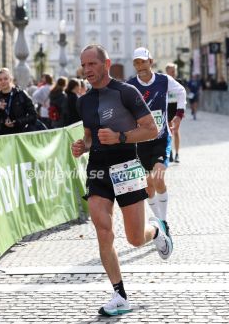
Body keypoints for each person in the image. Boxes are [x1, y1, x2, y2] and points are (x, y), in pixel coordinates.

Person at [72, 44, 173, 316]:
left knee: (136, 239)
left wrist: (121, 137)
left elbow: (151, 129)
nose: (87, 69)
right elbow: (90, 135)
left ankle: (157, 230)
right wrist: (83, 145)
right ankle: (119, 294)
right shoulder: (83, 100)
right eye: (84, 64)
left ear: (106, 64)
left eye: (92, 64)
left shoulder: (126, 92)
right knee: (103, 230)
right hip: (98, 170)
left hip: (126, 166)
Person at [128, 48, 186, 234]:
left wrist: (178, 115)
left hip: (161, 139)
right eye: (136, 62)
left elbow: (182, 92)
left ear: (150, 61)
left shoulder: (163, 80)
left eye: (143, 62)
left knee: (158, 177)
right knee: (147, 185)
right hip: (141, 142)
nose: (140, 66)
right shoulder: (130, 86)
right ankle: (160, 223)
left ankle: (162, 222)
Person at [0, 68, 37, 135]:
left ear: (10, 79)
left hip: (21, 135)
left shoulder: (21, 94)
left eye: (5, 79)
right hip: (3, 137)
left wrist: (17, 122)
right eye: (0, 80)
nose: (3, 81)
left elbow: (33, 116)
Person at [165, 63, 184, 162]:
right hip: (167, 108)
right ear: (167, 71)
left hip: (176, 109)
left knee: (176, 131)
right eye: (172, 71)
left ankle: (177, 154)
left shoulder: (179, 82)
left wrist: (182, 110)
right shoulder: (163, 82)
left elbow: (182, 96)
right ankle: (170, 152)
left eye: (174, 71)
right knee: (169, 132)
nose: (173, 73)